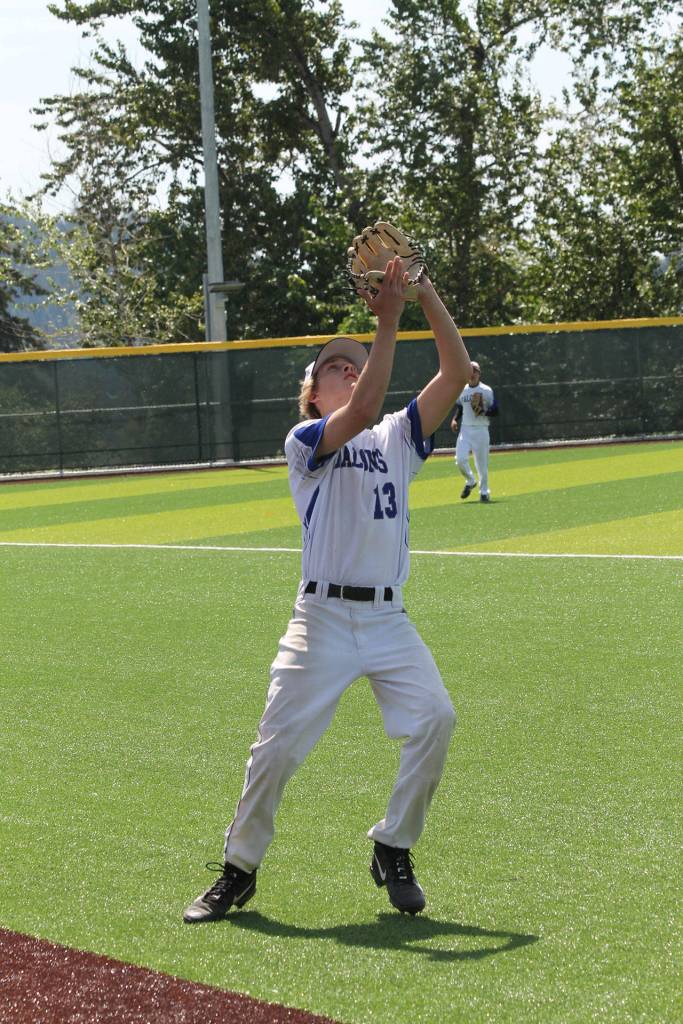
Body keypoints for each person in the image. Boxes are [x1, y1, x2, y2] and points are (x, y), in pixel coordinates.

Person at [183, 258, 473, 922]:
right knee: (276, 747)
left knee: (436, 718)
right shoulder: (306, 442)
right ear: (312, 394)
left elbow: (455, 374)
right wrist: (388, 321)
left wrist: (425, 291)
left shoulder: (399, 437)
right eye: (333, 367)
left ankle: (392, 844)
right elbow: (367, 402)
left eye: (354, 361)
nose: (347, 368)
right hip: (318, 621)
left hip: (387, 620)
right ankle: (238, 868)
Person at [450, 361, 498, 502]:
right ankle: (470, 481)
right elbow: (460, 407)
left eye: (475, 371)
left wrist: (484, 411)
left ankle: (484, 492)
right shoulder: (462, 390)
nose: (472, 374)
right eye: (470, 371)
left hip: (481, 430)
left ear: (479, 373)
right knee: (460, 460)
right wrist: (454, 420)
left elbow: (496, 410)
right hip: (465, 429)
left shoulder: (486, 390)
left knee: (482, 464)